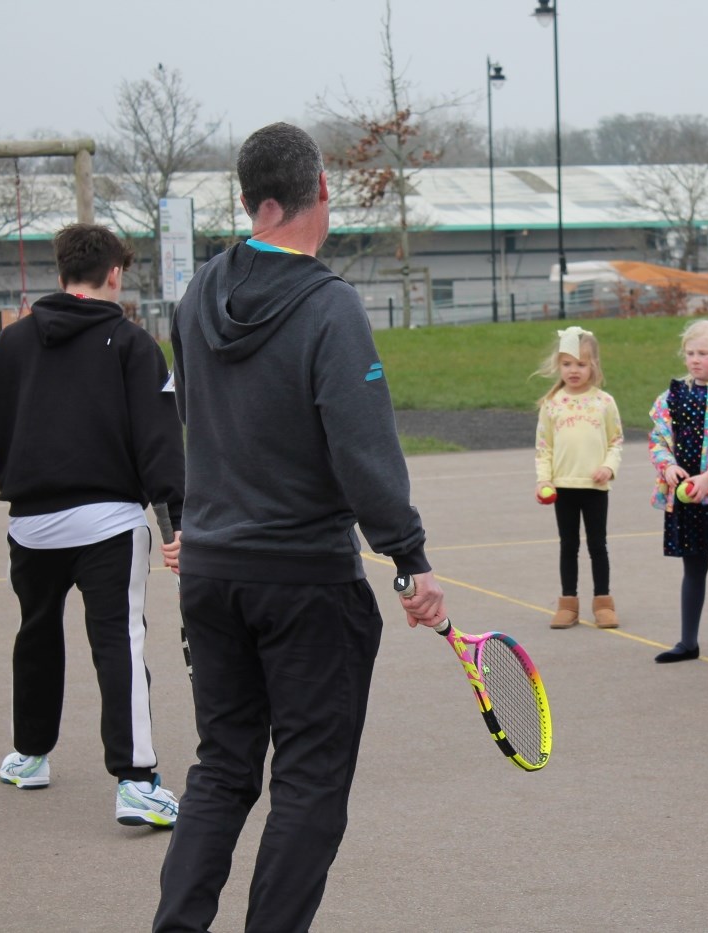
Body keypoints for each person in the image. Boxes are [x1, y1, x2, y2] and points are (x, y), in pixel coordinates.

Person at [153, 122, 449, 933]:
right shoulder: (329, 306)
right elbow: (363, 449)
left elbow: (192, 419)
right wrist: (410, 555)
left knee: (222, 768)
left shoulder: (194, 295)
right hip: (302, 577)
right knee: (311, 781)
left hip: (213, 570)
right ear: (321, 189)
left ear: (252, 200)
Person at [0, 223, 185, 826]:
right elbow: (160, 444)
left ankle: (31, 755)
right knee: (119, 643)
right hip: (109, 525)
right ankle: (137, 781)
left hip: (31, 528)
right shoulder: (133, 344)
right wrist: (177, 525)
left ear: (62, 272)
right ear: (115, 274)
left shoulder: (9, 346)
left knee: (37, 635)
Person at [649, 318, 708, 664]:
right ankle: (688, 641)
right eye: (690, 353)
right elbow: (658, 437)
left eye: (704, 352)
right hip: (686, 496)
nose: (695, 359)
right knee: (693, 567)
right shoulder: (673, 394)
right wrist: (668, 465)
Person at [534, 325, 624, 629]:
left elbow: (616, 441)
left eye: (581, 364)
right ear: (559, 365)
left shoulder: (604, 402)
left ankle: (603, 602)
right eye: (568, 364)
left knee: (598, 546)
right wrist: (544, 480)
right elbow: (543, 446)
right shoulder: (552, 404)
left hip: (595, 487)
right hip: (563, 487)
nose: (574, 370)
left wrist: (609, 467)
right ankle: (568, 604)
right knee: (568, 545)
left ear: (593, 366)